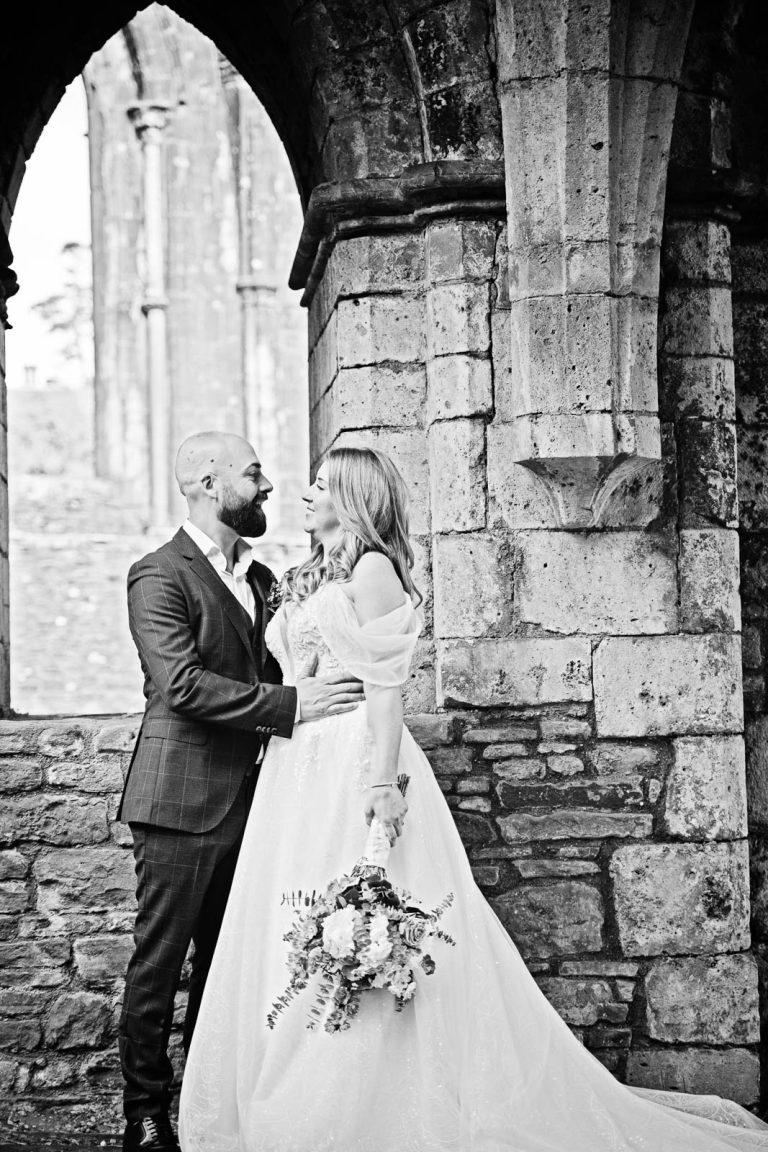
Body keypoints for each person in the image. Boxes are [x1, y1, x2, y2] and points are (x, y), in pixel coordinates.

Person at [178, 445, 768, 1152]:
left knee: (359, 920)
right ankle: (294, 1084)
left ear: (355, 497)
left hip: (351, 763)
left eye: (321, 484)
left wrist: (380, 783)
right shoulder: (312, 573)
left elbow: (386, 689)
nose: (304, 493)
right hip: (294, 769)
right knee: (292, 921)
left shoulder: (372, 572)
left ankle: (366, 1102)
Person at [117, 432, 364, 1152]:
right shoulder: (158, 574)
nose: (268, 486)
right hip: (180, 801)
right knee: (160, 963)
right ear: (204, 481)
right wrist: (292, 707)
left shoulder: (262, 580)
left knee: (233, 966)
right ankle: (145, 1114)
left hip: (262, 804)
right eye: (253, 473)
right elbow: (181, 685)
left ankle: (209, 1105)